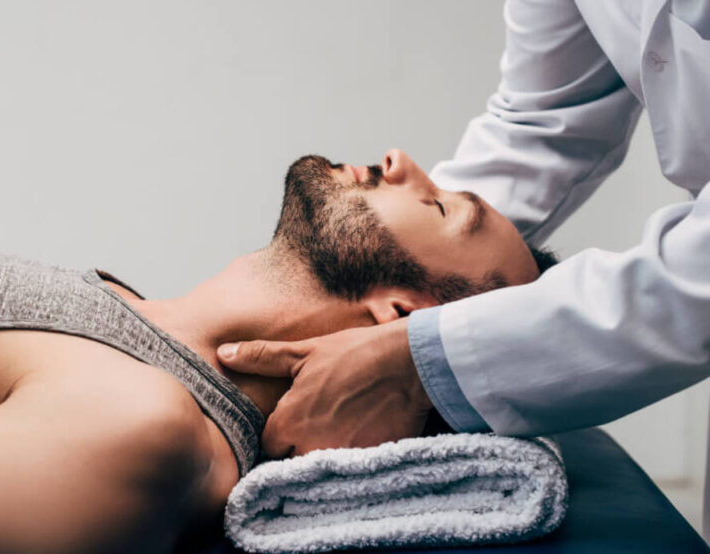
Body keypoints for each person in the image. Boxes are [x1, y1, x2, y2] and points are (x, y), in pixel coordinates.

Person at [0, 152, 550, 553]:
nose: (402, 162)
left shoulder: (139, 431)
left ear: (399, 318)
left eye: (443, 210)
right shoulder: (131, 327)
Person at [215, 0, 710, 539]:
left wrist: (422, 356)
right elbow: (542, 124)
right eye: (444, 202)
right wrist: (394, 291)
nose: (397, 158)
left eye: (442, 205)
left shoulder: (162, 432)